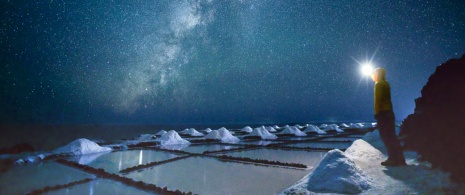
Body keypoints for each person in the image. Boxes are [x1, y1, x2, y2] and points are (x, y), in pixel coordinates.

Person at [371, 67, 406, 166]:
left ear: (378, 74)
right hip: (389, 113)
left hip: (383, 114)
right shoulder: (385, 83)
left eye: (375, 73)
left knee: (386, 137)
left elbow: (378, 100)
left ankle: (393, 159)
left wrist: (377, 113)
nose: (374, 74)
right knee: (392, 136)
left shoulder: (378, 85)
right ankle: (400, 159)